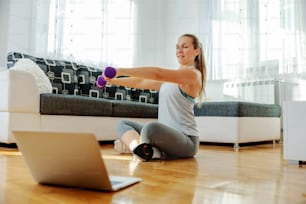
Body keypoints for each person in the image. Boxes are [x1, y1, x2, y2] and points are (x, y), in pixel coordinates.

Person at [107, 33, 206, 161]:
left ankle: (146, 150)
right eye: (177, 47)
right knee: (123, 124)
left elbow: (157, 74)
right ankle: (142, 150)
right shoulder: (173, 78)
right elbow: (140, 82)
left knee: (151, 128)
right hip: (165, 136)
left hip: (186, 141)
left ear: (196, 51)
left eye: (185, 47)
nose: (179, 51)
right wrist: (112, 80)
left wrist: (120, 70)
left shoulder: (193, 74)